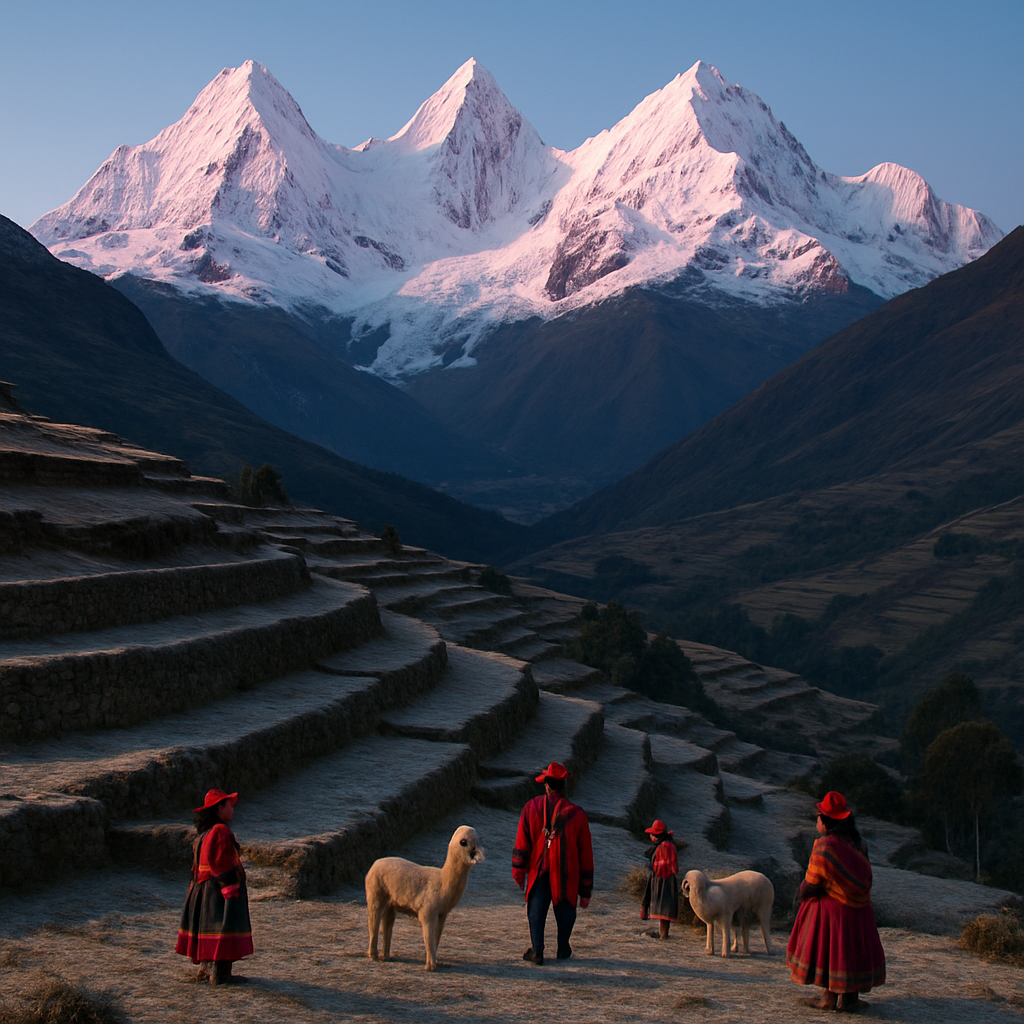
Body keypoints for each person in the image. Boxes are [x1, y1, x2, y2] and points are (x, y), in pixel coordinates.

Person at [786, 791, 885, 1012]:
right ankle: (850, 999)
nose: (816, 821)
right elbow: (867, 877)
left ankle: (827, 999)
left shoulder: (825, 847)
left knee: (830, 951)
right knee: (850, 952)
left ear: (826, 821)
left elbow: (811, 884)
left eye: (818, 817)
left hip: (833, 913)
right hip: (860, 911)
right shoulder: (859, 844)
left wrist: (801, 892)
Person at [512, 762, 594, 965]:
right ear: (563, 786)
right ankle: (563, 946)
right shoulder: (578, 815)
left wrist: (519, 872)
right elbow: (585, 854)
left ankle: (537, 950)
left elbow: (522, 843)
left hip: (539, 870)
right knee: (566, 909)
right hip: (567, 874)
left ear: (547, 786)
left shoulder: (531, 807)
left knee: (536, 910)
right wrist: (585, 890)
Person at [175, 789, 254, 985]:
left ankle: (207, 970)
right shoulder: (220, 831)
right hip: (215, 892)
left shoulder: (203, 835)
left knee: (209, 929)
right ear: (219, 808)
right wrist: (229, 888)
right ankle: (220, 974)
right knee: (222, 927)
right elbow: (220, 862)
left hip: (201, 890)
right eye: (228, 805)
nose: (232, 809)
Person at [640, 819, 679, 938]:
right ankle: (664, 934)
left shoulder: (662, 847)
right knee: (665, 909)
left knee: (662, 908)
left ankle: (663, 935)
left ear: (655, 836)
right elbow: (675, 868)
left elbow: (672, 867)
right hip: (668, 880)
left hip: (660, 880)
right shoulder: (670, 846)